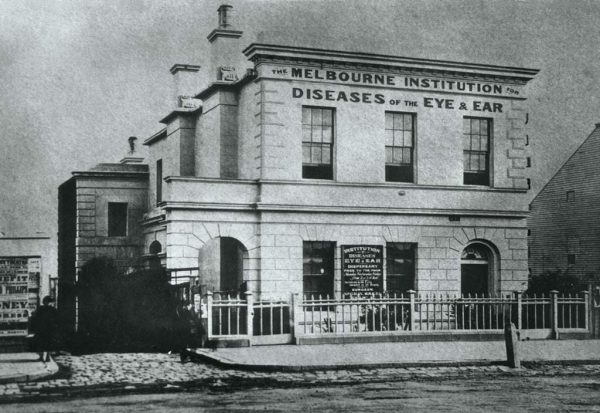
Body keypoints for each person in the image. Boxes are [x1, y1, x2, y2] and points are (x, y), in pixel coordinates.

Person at [29, 296, 60, 362]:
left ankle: (48, 357)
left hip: (49, 329)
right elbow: (36, 317)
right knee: (41, 343)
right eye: (47, 302)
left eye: (49, 302)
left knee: (48, 343)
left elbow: (57, 319)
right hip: (42, 329)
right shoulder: (41, 309)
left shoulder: (53, 309)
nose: (48, 303)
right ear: (44, 302)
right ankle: (41, 357)